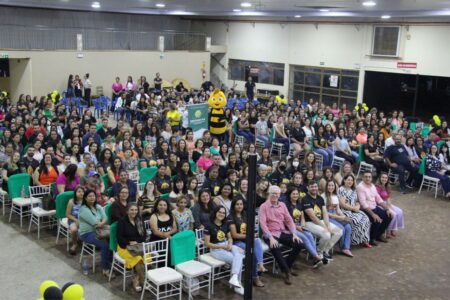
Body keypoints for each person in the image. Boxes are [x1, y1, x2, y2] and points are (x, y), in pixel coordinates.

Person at [259, 185, 303, 285]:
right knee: (275, 247)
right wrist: (270, 237)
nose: (275, 195)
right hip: (270, 233)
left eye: (277, 193)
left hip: (282, 232)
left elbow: (289, 219)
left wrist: (294, 233)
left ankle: (286, 266)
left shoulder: (282, 205)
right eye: (273, 193)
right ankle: (287, 272)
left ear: (280, 194)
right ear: (269, 194)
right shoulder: (264, 206)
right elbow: (263, 224)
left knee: (299, 243)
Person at [204, 205, 245, 295]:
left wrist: (230, 244)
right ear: (215, 212)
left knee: (239, 254)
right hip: (216, 249)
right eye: (220, 212)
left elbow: (230, 237)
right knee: (237, 259)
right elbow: (207, 243)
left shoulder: (225, 223)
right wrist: (222, 247)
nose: (221, 214)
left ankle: (234, 278)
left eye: (223, 213)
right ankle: (237, 284)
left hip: (226, 245)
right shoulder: (209, 225)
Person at [228, 198, 266, 287]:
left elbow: (251, 228)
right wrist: (249, 236)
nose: (239, 206)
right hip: (236, 242)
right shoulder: (230, 217)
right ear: (233, 205)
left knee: (257, 240)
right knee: (252, 253)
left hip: (247, 239)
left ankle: (260, 265)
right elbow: (234, 235)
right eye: (237, 204)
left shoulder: (245, 214)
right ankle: (255, 277)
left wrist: (253, 235)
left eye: (241, 204)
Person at [302, 181, 343, 261]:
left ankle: (325, 251)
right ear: (308, 188)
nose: (314, 188)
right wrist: (325, 227)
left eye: (315, 186)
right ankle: (318, 253)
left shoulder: (320, 198)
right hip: (309, 223)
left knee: (339, 231)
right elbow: (313, 217)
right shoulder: (305, 199)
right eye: (312, 187)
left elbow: (324, 213)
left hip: (320, 221)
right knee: (327, 235)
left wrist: (327, 225)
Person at [283, 188, 323, 268]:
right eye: (293, 194)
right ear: (289, 195)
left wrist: (302, 226)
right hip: (289, 228)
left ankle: (314, 257)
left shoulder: (299, 204)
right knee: (304, 238)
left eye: (297, 194)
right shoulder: (286, 205)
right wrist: (297, 227)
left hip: (299, 226)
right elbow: (286, 221)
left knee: (309, 235)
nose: (295, 195)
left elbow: (302, 218)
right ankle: (316, 257)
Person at [78, 189, 111, 276]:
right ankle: (105, 268)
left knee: (113, 239)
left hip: (100, 230)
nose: (92, 198)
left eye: (93, 196)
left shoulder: (97, 206)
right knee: (105, 245)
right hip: (87, 233)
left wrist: (101, 223)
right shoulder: (83, 209)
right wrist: (101, 223)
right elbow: (94, 223)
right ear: (85, 198)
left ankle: (110, 261)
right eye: (89, 196)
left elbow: (105, 218)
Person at [356, 171, 393, 246]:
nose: (368, 178)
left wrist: (387, 209)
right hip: (365, 209)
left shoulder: (372, 186)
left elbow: (378, 199)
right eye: (366, 177)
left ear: (371, 178)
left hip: (374, 206)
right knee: (377, 219)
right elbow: (363, 203)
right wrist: (373, 214)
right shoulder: (360, 187)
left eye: (369, 177)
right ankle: (371, 239)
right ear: (362, 178)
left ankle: (378, 235)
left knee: (389, 216)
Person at [116, 202, 146, 292]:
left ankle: (136, 279)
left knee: (146, 258)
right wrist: (129, 243)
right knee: (139, 261)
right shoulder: (122, 221)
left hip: (138, 246)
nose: (134, 212)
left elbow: (144, 236)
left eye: (136, 210)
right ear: (127, 211)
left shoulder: (139, 220)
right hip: (124, 247)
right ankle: (142, 281)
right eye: (132, 210)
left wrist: (137, 242)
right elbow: (119, 238)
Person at [337, 174, 371, 247]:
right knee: (355, 220)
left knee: (366, 218)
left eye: (351, 180)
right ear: (344, 180)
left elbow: (357, 201)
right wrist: (353, 208)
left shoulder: (353, 190)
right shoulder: (341, 189)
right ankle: (353, 241)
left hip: (354, 210)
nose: (350, 181)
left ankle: (363, 239)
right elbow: (342, 204)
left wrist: (357, 206)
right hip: (345, 211)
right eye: (348, 180)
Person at [321, 180, 353, 257]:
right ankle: (342, 248)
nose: (331, 187)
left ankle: (346, 248)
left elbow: (338, 210)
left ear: (335, 187)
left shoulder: (335, 196)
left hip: (335, 216)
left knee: (348, 226)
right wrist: (338, 217)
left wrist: (343, 216)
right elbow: (325, 213)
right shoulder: (323, 196)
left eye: (332, 185)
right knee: (342, 228)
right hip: (327, 217)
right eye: (329, 185)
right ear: (326, 186)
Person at [376, 173, 405, 237]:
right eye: (383, 177)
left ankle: (393, 229)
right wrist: (387, 207)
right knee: (393, 214)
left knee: (400, 211)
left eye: (386, 178)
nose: (384, 179)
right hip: (380, 204)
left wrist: (389, 204)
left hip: (387, 203)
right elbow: (377, 200)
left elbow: (388, 197)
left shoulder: (387, 186)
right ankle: (388, 230)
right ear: (380, 178)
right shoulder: (377, 187)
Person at [66, 186, 84, 255]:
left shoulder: (86, 201)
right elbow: (67, 214)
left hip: (83, 219)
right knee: (74, 230)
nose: (81, 193)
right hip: (73, 219)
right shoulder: (71, 201)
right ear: (75, 193)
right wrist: (76, 220)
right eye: (79, 191)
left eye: (82, 191)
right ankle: (74, 244)